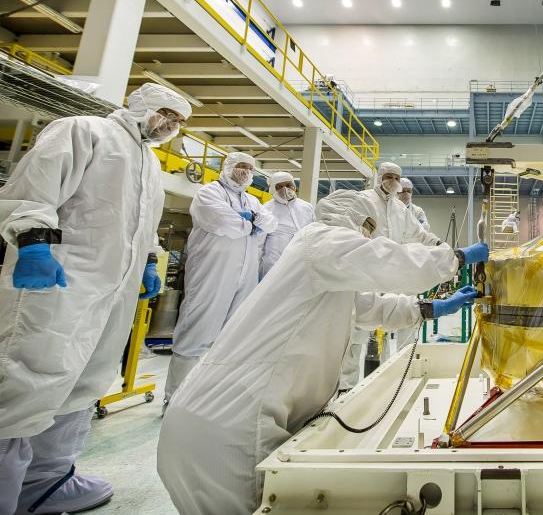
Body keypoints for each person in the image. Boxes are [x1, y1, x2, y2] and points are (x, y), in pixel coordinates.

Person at [156, 189, 489, 514]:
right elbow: (391, 262)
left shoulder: (322, 263)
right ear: (354, 220)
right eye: (369, 229)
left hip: (208, 421)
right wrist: (457, 257)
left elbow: (368, 306)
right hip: (233, 433)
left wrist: (430, 309)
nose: (369, 238)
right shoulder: (321, 241)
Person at [0, 83, 191, 514]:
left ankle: (46, 481)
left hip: (113, 291)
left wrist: (148, 261)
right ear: (141, 105)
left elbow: (144, 224)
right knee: (26, 380)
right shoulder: (84, 131)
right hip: (60, 281)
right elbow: (34, 190)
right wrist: (32, 242)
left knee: (85, 381)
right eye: (166, 113)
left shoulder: (148, 163)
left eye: (178, 122)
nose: (170, 125)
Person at [164, 152, 277, 403]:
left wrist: (250, 220)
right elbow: (223, 222)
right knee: (197, 332)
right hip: (212, 271)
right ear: (227, 167)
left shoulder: (251, 200)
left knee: (232, 336)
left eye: (249, 168)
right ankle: (176, 399)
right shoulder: (209, 192)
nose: (245, 172)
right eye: (240, 166)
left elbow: (271, 224)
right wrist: (252, 224)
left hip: (244, 274)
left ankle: (211, 398)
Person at [340, 162, 443, 389]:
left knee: (399, 319)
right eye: (388, 177)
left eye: (397, 178)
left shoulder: (400, 209)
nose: (393, 182)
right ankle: (346, 386)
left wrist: (440, 245)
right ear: (379, 177)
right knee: (357, 332)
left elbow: (419, 233)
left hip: (394, 273)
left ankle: (393, 379)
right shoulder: (364, 200)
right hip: (366, 274)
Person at [259, 172, 314, 279]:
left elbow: (312, 232)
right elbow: (259, 242)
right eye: (279, 186)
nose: (285, 189)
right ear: (272, 189)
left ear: (294, 186)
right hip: (274, 264)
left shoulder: (307, 207)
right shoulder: (265, 209)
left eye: (289, 185)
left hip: (300, 261)